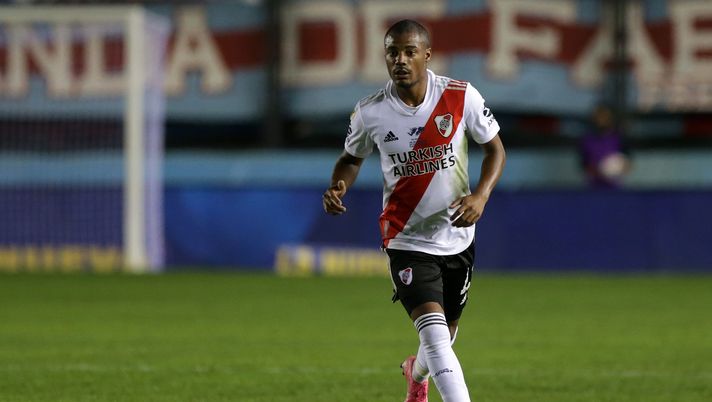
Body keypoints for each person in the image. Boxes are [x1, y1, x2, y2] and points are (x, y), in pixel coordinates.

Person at [322, 20, 505, 402]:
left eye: (408, 51)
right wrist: (339, 184)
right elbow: (350, 159)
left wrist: (481, 196)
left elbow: (495, 149)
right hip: (405, 237)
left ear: (427, 55)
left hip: (457, 236)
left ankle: (414, 373)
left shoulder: (459, 96)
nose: (400, 60)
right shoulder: (370, 112)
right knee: (437, 339)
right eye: (392, 52)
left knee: (446, 336)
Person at [578, 104, 631, 188]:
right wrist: (600, 171)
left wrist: (617, 168)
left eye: (604, 116)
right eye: (599, 116)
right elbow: (583, 164)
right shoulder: (587, 139)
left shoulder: (618, 137)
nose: (602, 119)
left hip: (615, 187)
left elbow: (628, 163)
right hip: (593, 186)